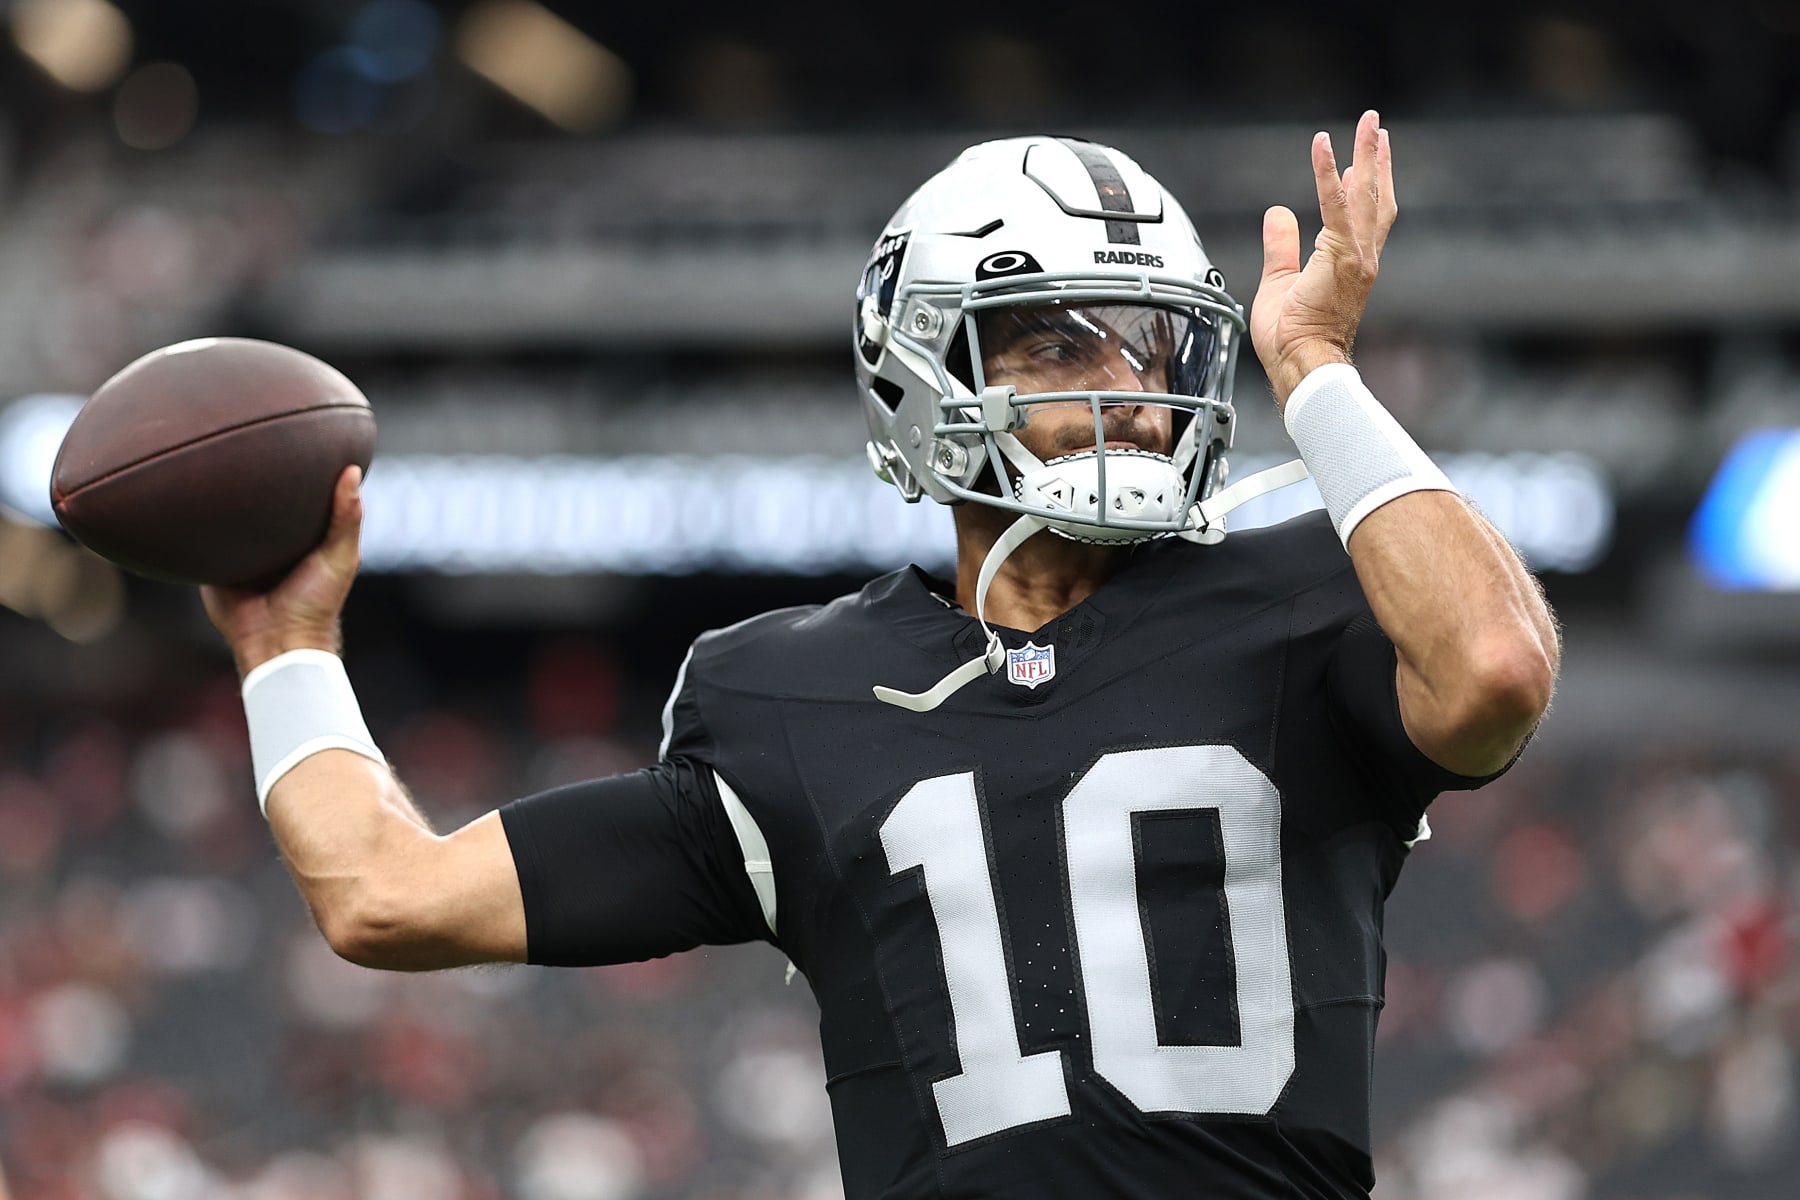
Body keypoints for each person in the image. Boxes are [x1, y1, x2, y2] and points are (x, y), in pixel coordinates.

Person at [204, 112, 1559, 1199]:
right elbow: (388, 897)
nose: (1130, 395)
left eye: (1150, 347)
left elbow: (1496, 670)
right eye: (1057, 346)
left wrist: (1314, 365)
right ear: (925, 369)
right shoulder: (787, 694)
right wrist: (288, 648)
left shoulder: (1304, 596)